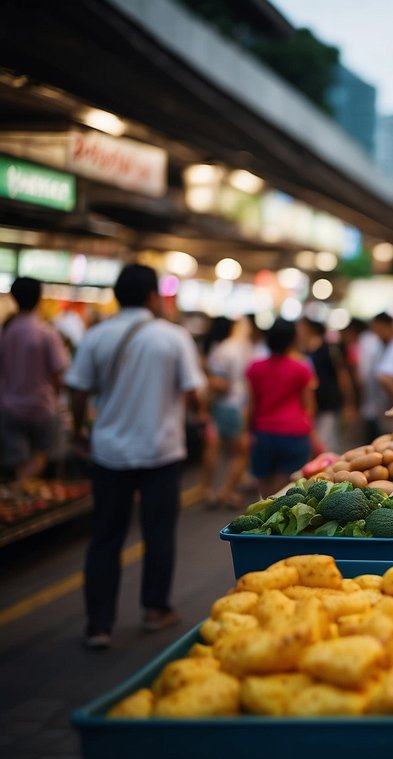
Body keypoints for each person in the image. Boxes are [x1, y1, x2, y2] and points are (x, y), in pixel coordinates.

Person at [65, 264, 206, 649]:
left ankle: (98, 626)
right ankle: (155, 610)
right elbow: (194, 391)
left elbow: (77, 391)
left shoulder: (95, 336)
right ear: (152, 296)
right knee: (158, 533)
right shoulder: (173, 337)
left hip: (109, 452)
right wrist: (199, 415)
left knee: (105, 538)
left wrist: (80, 430)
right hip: (161, 451)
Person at [0, 276, 69, 481]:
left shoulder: (6, 332)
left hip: (9, 407)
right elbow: (58, 372)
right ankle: (27, 494)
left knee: (17, 461)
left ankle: (20, 496)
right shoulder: (46, 333)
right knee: (42, 456)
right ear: (40, 297)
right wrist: (56, 397)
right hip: (41, 407)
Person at [246, 318, 318, 499]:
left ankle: (266, 514)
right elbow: (309, 406)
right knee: (285, 489)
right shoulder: (302, 368)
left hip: (264, 434)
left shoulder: (255, 368)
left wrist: (246, 432)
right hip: (294, 434)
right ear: (293, 339)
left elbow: (251, 405)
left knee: (264, 486)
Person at [201, 316, 255, 508]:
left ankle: (210, 490)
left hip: (224, 405)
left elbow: (219, 382)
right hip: (235, 406)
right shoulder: (240, 348)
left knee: (220, 449)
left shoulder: (225, 349)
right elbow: (223, 383)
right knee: (238, 453)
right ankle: (224, 492)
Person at [298, 317, 356, 453]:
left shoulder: (329, 349)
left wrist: (349, 403)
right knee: (318, 444)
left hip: (329, 404)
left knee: (326, 443)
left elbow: (342, 375)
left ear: (310, 329)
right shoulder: (303, 351)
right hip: (313, 407)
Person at [358, 313, 393, 441]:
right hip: (376, 407)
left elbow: (384, 378)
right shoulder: (376, 347)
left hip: (391, 408)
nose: (377, 333)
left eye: (379, 329)